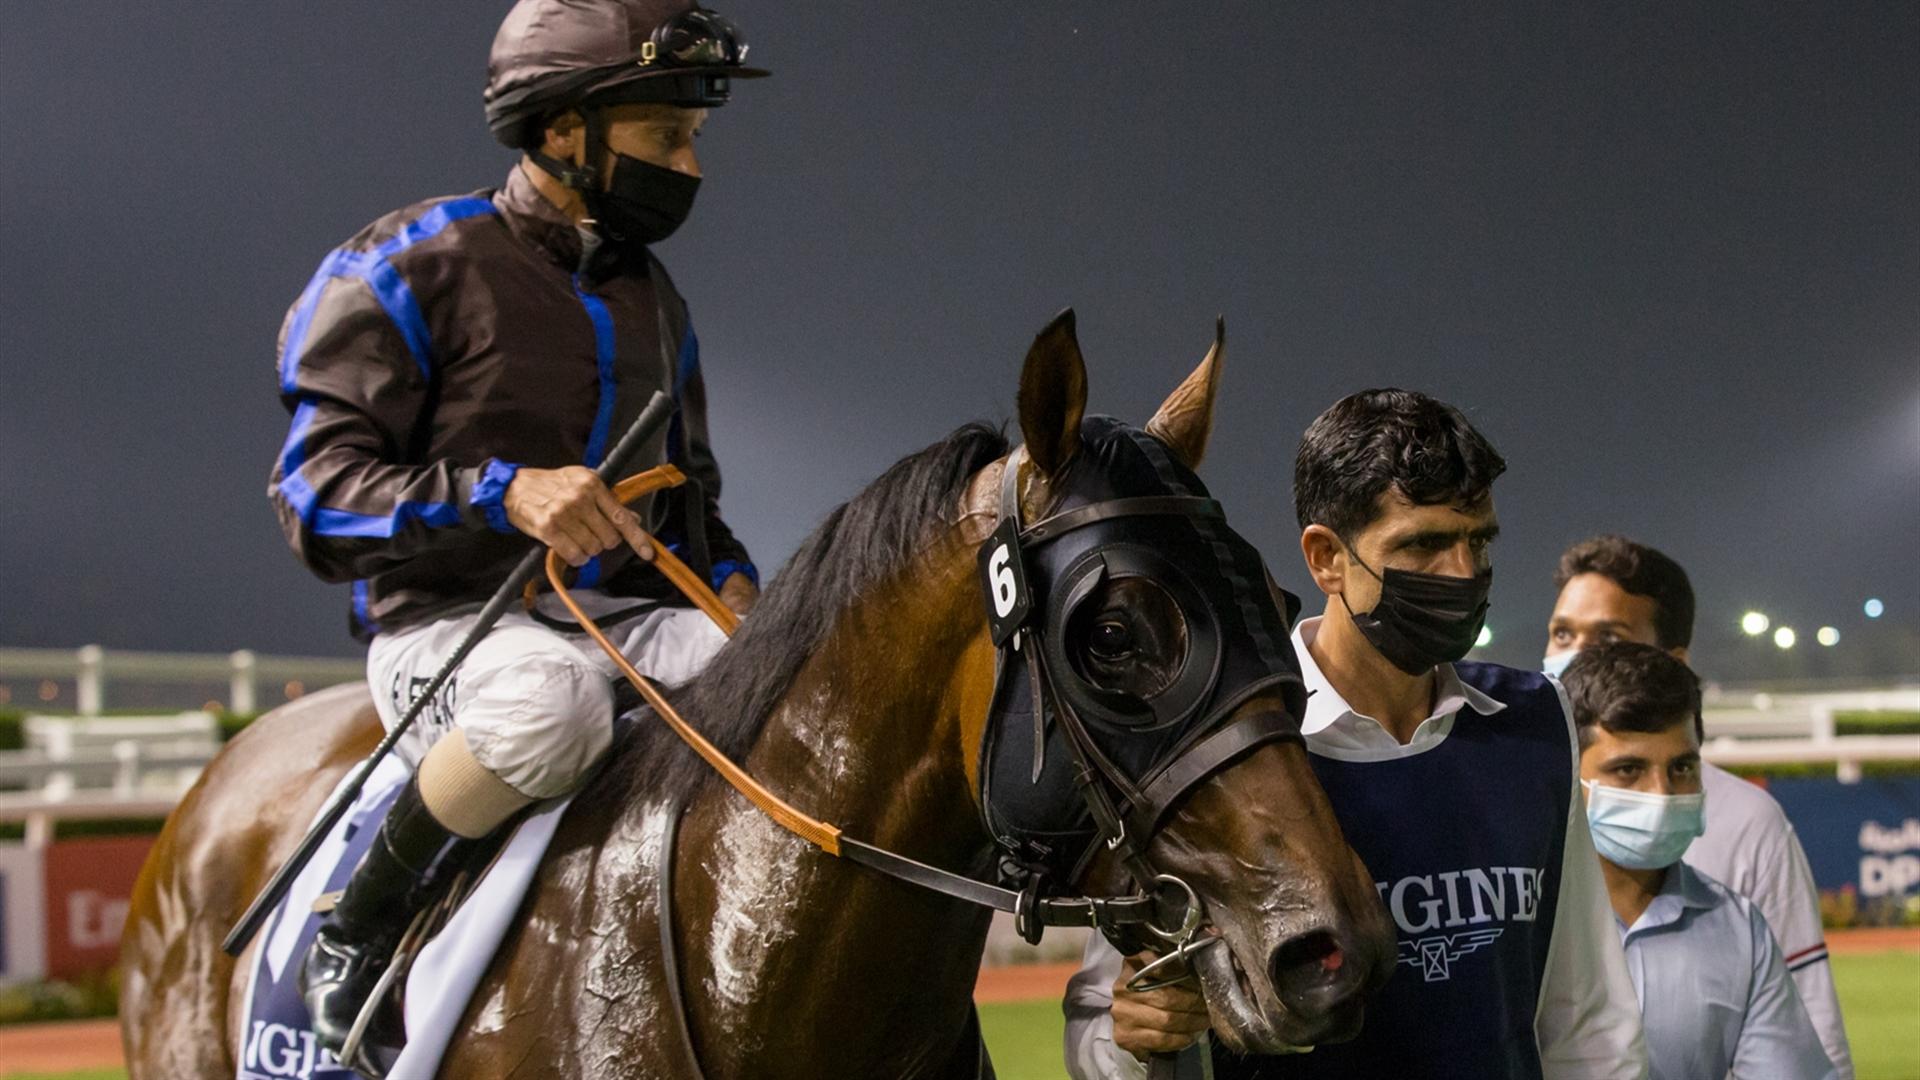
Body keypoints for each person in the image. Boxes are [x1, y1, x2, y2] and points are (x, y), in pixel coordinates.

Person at [266, 0, 767, 1058]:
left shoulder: (657, 301)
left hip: (617, 618)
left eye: (693, 138)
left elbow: (696, 505)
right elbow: (314, 499)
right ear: (558, 131)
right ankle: (355, 931)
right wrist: (505, 493)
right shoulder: (402, 267)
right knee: (551, 705)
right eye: (665, 137)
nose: (691, 166)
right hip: (448, 630)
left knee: (794, 682)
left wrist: (742, 597)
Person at [1065, 389, 1646, 1079]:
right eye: (1424, 544)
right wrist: (1141, 1036)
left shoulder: (1535, 724)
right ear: (1326, 558)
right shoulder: (1212, 742)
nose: (1462, 574)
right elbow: (1108, 1034)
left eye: (1478, 540)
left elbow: (1586, 1019)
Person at [1544, 535, 1853, 1077]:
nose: (1662, 794)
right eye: (1564, 633)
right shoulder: (1511, 897)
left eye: (1610, 638)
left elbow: (1808, 1032)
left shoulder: (1743, 885)